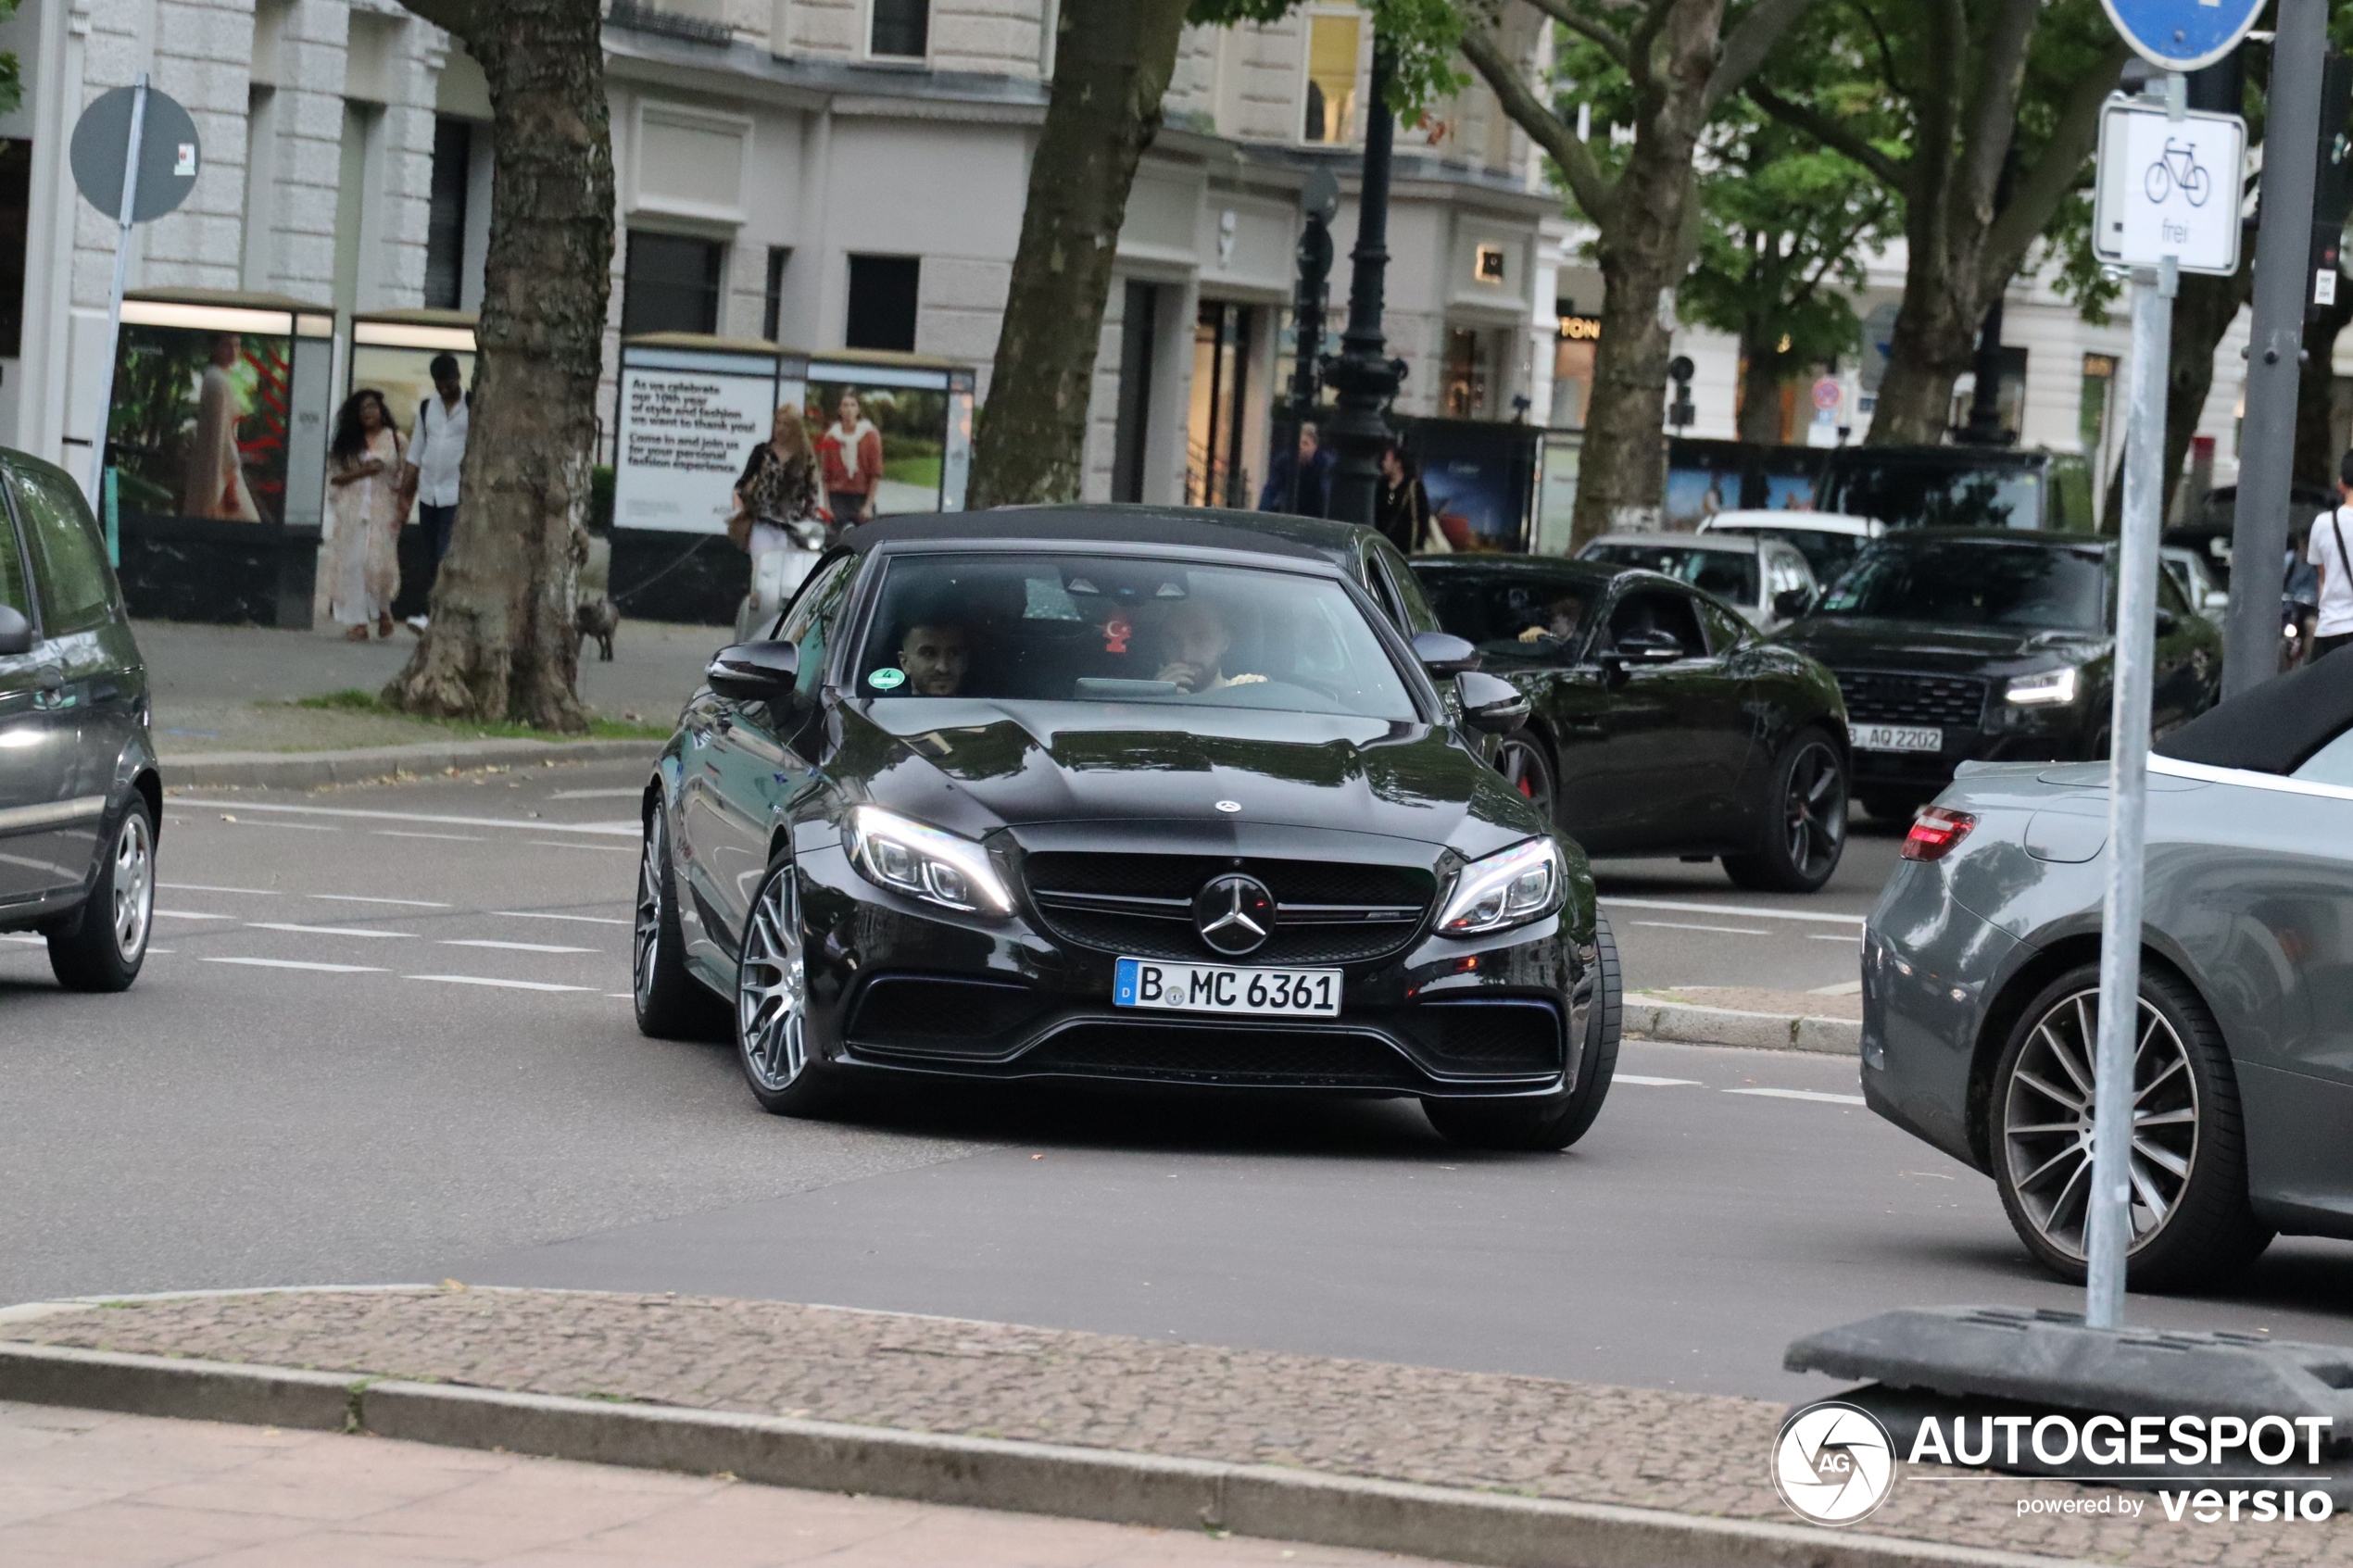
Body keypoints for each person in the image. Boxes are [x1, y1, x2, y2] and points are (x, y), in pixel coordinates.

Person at [323, 389, 406, 641]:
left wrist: (403, 504)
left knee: (378, 563)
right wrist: (363, 472)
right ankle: (358, 622)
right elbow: (335, 477)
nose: (368, 413)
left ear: (381, 410)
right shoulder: (347, 444)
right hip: (352, 510)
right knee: (353, 564)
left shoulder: (396, 439)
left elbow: (403, 475)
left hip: (383, 510)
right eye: (362, 410)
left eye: (372, 407)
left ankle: (383, 610)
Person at [399, 352, 469, 627]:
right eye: (439, 384)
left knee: (444, 552)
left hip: (456, 493)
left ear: (458, 377)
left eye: (449, 383)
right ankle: (431, 611)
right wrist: (405, 494)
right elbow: (415, 452)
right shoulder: (428, 408)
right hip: (430, 492)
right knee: (430, 555)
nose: (444, 389)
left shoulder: (472, 404)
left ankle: (437, 616)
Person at [183, 334, 260, 521]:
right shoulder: (216, 381)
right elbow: (221, 435)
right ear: (215, 348)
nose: (233, 352)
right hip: (222, 474)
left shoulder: (216, 378)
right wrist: (230, 482)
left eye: (237, 345)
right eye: (226, 345)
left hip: (218, 469)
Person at [731, 404, 824, 558]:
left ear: (795, 429)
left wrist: (808, 523)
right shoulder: (762, 451)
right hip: (763, 522)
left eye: (786, 425)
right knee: (763, 566)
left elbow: (812, 492)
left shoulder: (804, 458)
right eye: (778, 423)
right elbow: (741, 483)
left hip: (791, 527)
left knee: (787, 571)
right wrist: (739, 499)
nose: (780, 428)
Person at [1154, 596, 1265, 694]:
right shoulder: (1142, 706)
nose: (1186, 656)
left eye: (1200, 639)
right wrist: (1155, 699)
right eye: (1173, 641)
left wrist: (1253, 695)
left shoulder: (1247, 695)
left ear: (1224, 642)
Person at [2310, 450, 2353, 663]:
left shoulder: (2323, 524)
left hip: (2330, 629)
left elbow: (2322, 575)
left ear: (2341, 484)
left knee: (2324, 695)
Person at [816, 390, 882, 527]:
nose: (848, 409)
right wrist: (827, 507)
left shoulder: (870, 435)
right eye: (845, 405)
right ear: (839, 409)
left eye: (852, 405)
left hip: (861, 497)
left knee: (867, 538)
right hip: (838, 497)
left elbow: (875, 473)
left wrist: (868, 506)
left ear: (858, 409)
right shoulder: (830, 437)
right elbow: (825, 475)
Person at [1375, 443, 1447, 554]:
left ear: (1398, 464)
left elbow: (1422, 518)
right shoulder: (1381, 486)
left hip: (1407, 550)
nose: (1383, 463)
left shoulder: (1414, 486)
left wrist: (1419, 545)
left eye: (1387, 459)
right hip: (1383, 547)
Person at [1258, 421, 1334, 516]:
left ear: (1315, 446)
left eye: (1305, 444)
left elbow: (1325, 495)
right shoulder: (1283, 461)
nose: (1300, 447)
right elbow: (1270, 490)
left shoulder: (1324, 464)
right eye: (1298, 443)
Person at [896, 618, 971, 696]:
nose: (943, 668)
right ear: (905, 663)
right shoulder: (885, 706)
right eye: (929, 654)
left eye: (953, 654)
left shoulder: (982, 705)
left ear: (965, 661)